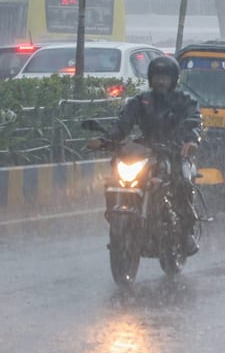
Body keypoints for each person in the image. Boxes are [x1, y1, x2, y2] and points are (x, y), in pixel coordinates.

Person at [86, 55, 202, 256]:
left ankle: (185, 234)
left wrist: (190, 141)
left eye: (165, 77)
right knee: (116, 174)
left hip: (174, 150)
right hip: (146, 149)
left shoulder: (184, 100)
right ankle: (117, 217)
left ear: (173, 79)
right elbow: (123, 124)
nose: (160, 81)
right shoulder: (140, 101)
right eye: (157, 76)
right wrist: (106, 140)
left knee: (181, 182)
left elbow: (193, 122)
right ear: (150, 78)